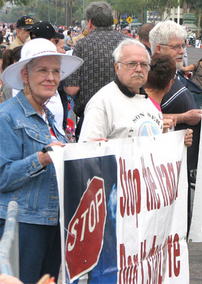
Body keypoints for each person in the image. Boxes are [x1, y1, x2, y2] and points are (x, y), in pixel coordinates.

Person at [0, 38, 83, 283]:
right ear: (25, 75)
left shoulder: (48, 117)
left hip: (51, 223)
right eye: (43, 70)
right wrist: (41, 159)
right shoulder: (7, 117)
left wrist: (87, 149)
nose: (51, 77)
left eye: (56, 71)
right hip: (23, 227)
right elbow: (2, 176)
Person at [63, 1, 128, 140]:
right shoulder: (128, 42)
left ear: (90, 22)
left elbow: (72, 88)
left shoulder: (83, 45)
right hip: (126, 117)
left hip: (91, 119)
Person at [149, 20, 202, 172]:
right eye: (176, 47)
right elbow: (143, 117)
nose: (181, 51)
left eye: (183, 46)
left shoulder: (176, 74)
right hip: (162, 165)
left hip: (181, 162)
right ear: (158, 48)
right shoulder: (149, 78)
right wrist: (183, 118)